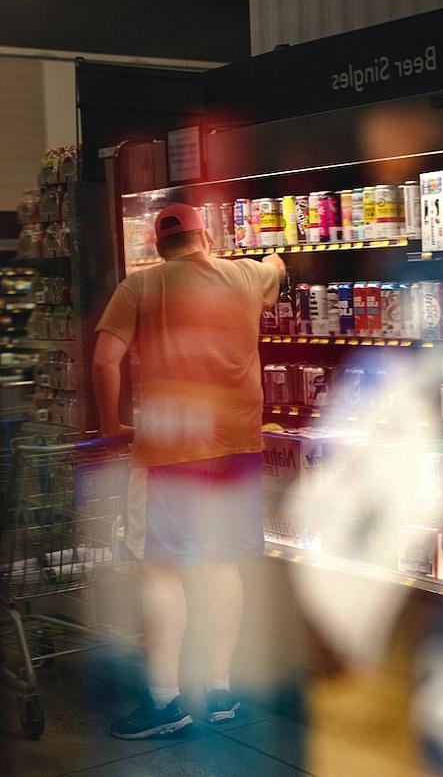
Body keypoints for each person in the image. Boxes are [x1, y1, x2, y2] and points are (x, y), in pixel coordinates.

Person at [93, 203, 284, 739]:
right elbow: (275, 272)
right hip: (237, 446)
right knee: (222, 565)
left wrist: (112, 424)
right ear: (205, 237)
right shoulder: (245, 275)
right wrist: (271, 261)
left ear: (158, 245)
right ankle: (222, 694)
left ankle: (164, 704)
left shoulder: (140, 287)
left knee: (161, 569)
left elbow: (106, 360)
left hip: (169, 451)